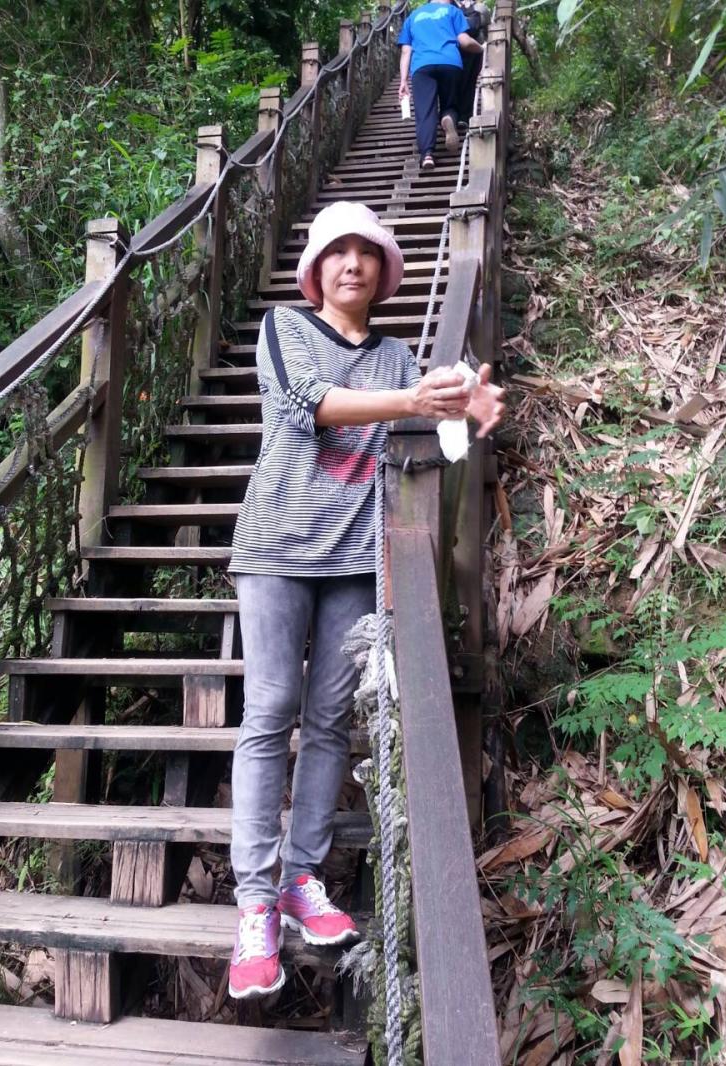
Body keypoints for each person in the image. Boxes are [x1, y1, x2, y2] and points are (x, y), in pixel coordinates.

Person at [226, 200, 505, 1000]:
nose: (352, 263)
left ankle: (301, 880)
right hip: (277, 549)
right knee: (269, 711)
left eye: (367, 252)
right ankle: (255, 903)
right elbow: (306, 404)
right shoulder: (284, 328)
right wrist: (418, 400)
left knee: (327, 721)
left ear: (384, 271)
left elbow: (435, 439)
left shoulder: (396, 358)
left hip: (353, 560)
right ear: (316, 270)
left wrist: (469, 413)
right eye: (337, 252)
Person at [397, 0, 484, 170]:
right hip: (450, 62)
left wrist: (403, 81)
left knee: (425, 112)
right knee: (450, 103)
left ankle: (427, 155)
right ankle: (448, 118)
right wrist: (482, 49)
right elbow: (465, 41)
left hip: (422, 66)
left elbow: (406, 51)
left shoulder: (413, 16)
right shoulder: (453, 11)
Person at [456, 0, 490, 128]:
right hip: (474, 49)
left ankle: (450, 114)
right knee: (470, 81)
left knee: (453, 82)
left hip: (454, 49)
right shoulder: (481, 8)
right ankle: (464, 116)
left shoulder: (448, 8)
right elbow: (487, 30)